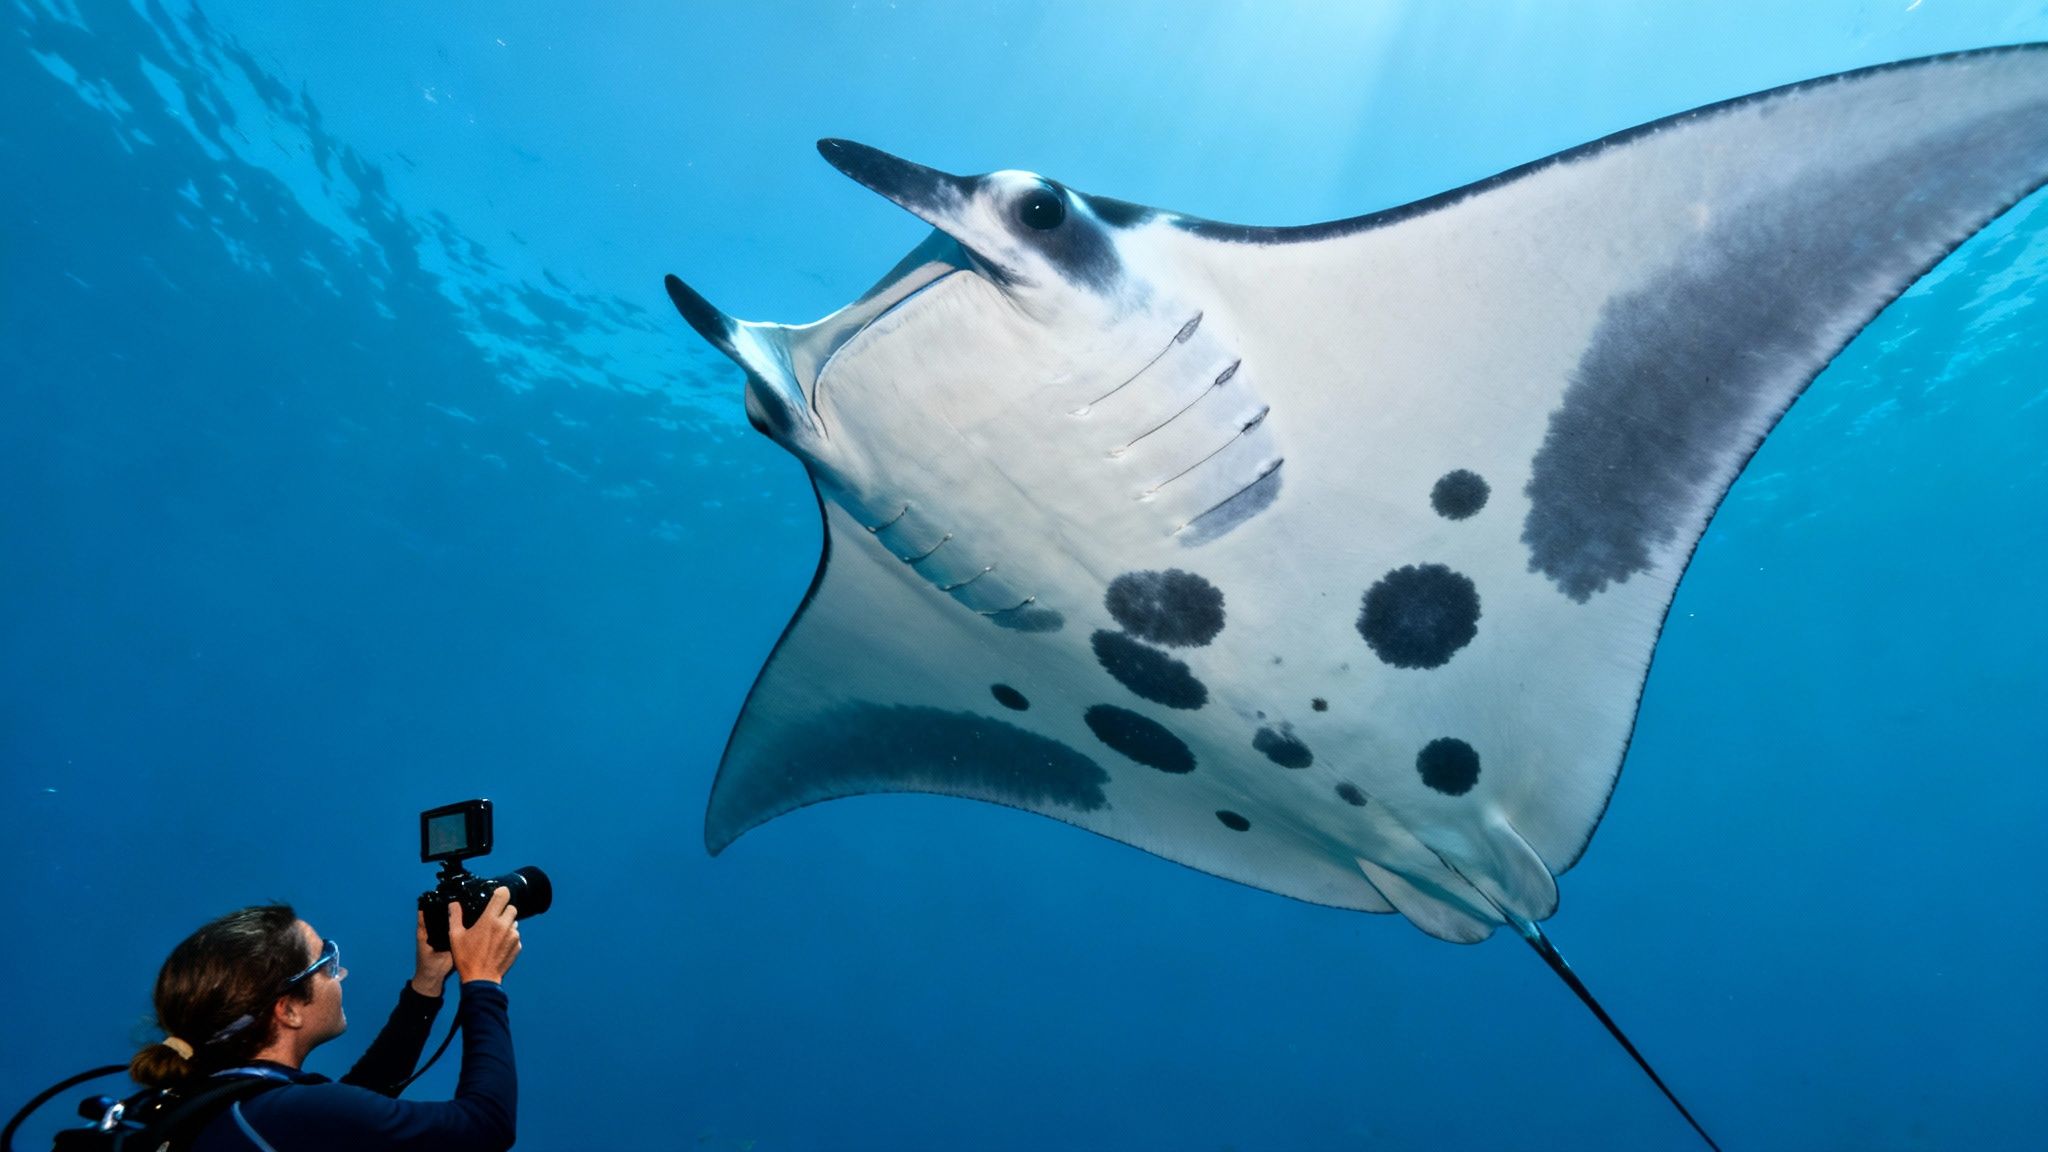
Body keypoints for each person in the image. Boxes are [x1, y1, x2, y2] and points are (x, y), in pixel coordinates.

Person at [126, 888, 522, 1152]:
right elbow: (486, 1126)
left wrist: (428, 983)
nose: (340, 972)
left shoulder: (206, 1102)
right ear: (288, 1010)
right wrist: (483, 981)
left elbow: (360, 1103)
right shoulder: (289, 1112)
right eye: (326, 962)